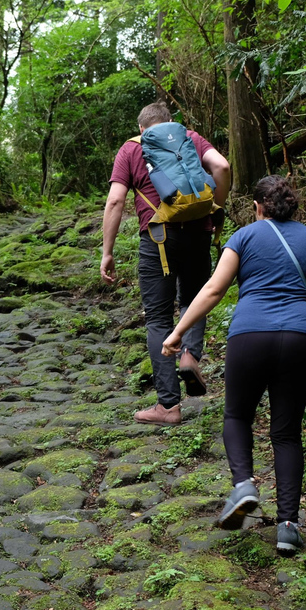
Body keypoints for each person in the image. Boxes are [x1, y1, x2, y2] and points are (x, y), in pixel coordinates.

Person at [162, 175, 306, 553]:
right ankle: (289, 526)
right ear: (294, 206)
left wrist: (179, 331)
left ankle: (244, 486)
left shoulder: (243, 237)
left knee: (237, 417)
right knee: (287, 433)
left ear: (258, 207)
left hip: (249, 337)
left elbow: (214, 288)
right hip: (300, 340)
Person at [100, 100, 231, 426]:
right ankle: (189, 355)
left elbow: (116, 199)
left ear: (141, 129)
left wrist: (108, 251)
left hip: (157, 239)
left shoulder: (132, 149)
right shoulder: (190, 138)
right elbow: (223, 167)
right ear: (171, 122)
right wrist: (217, 208)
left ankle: (169, 406)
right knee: (194, 300)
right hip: (198, 234)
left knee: (158, 319)